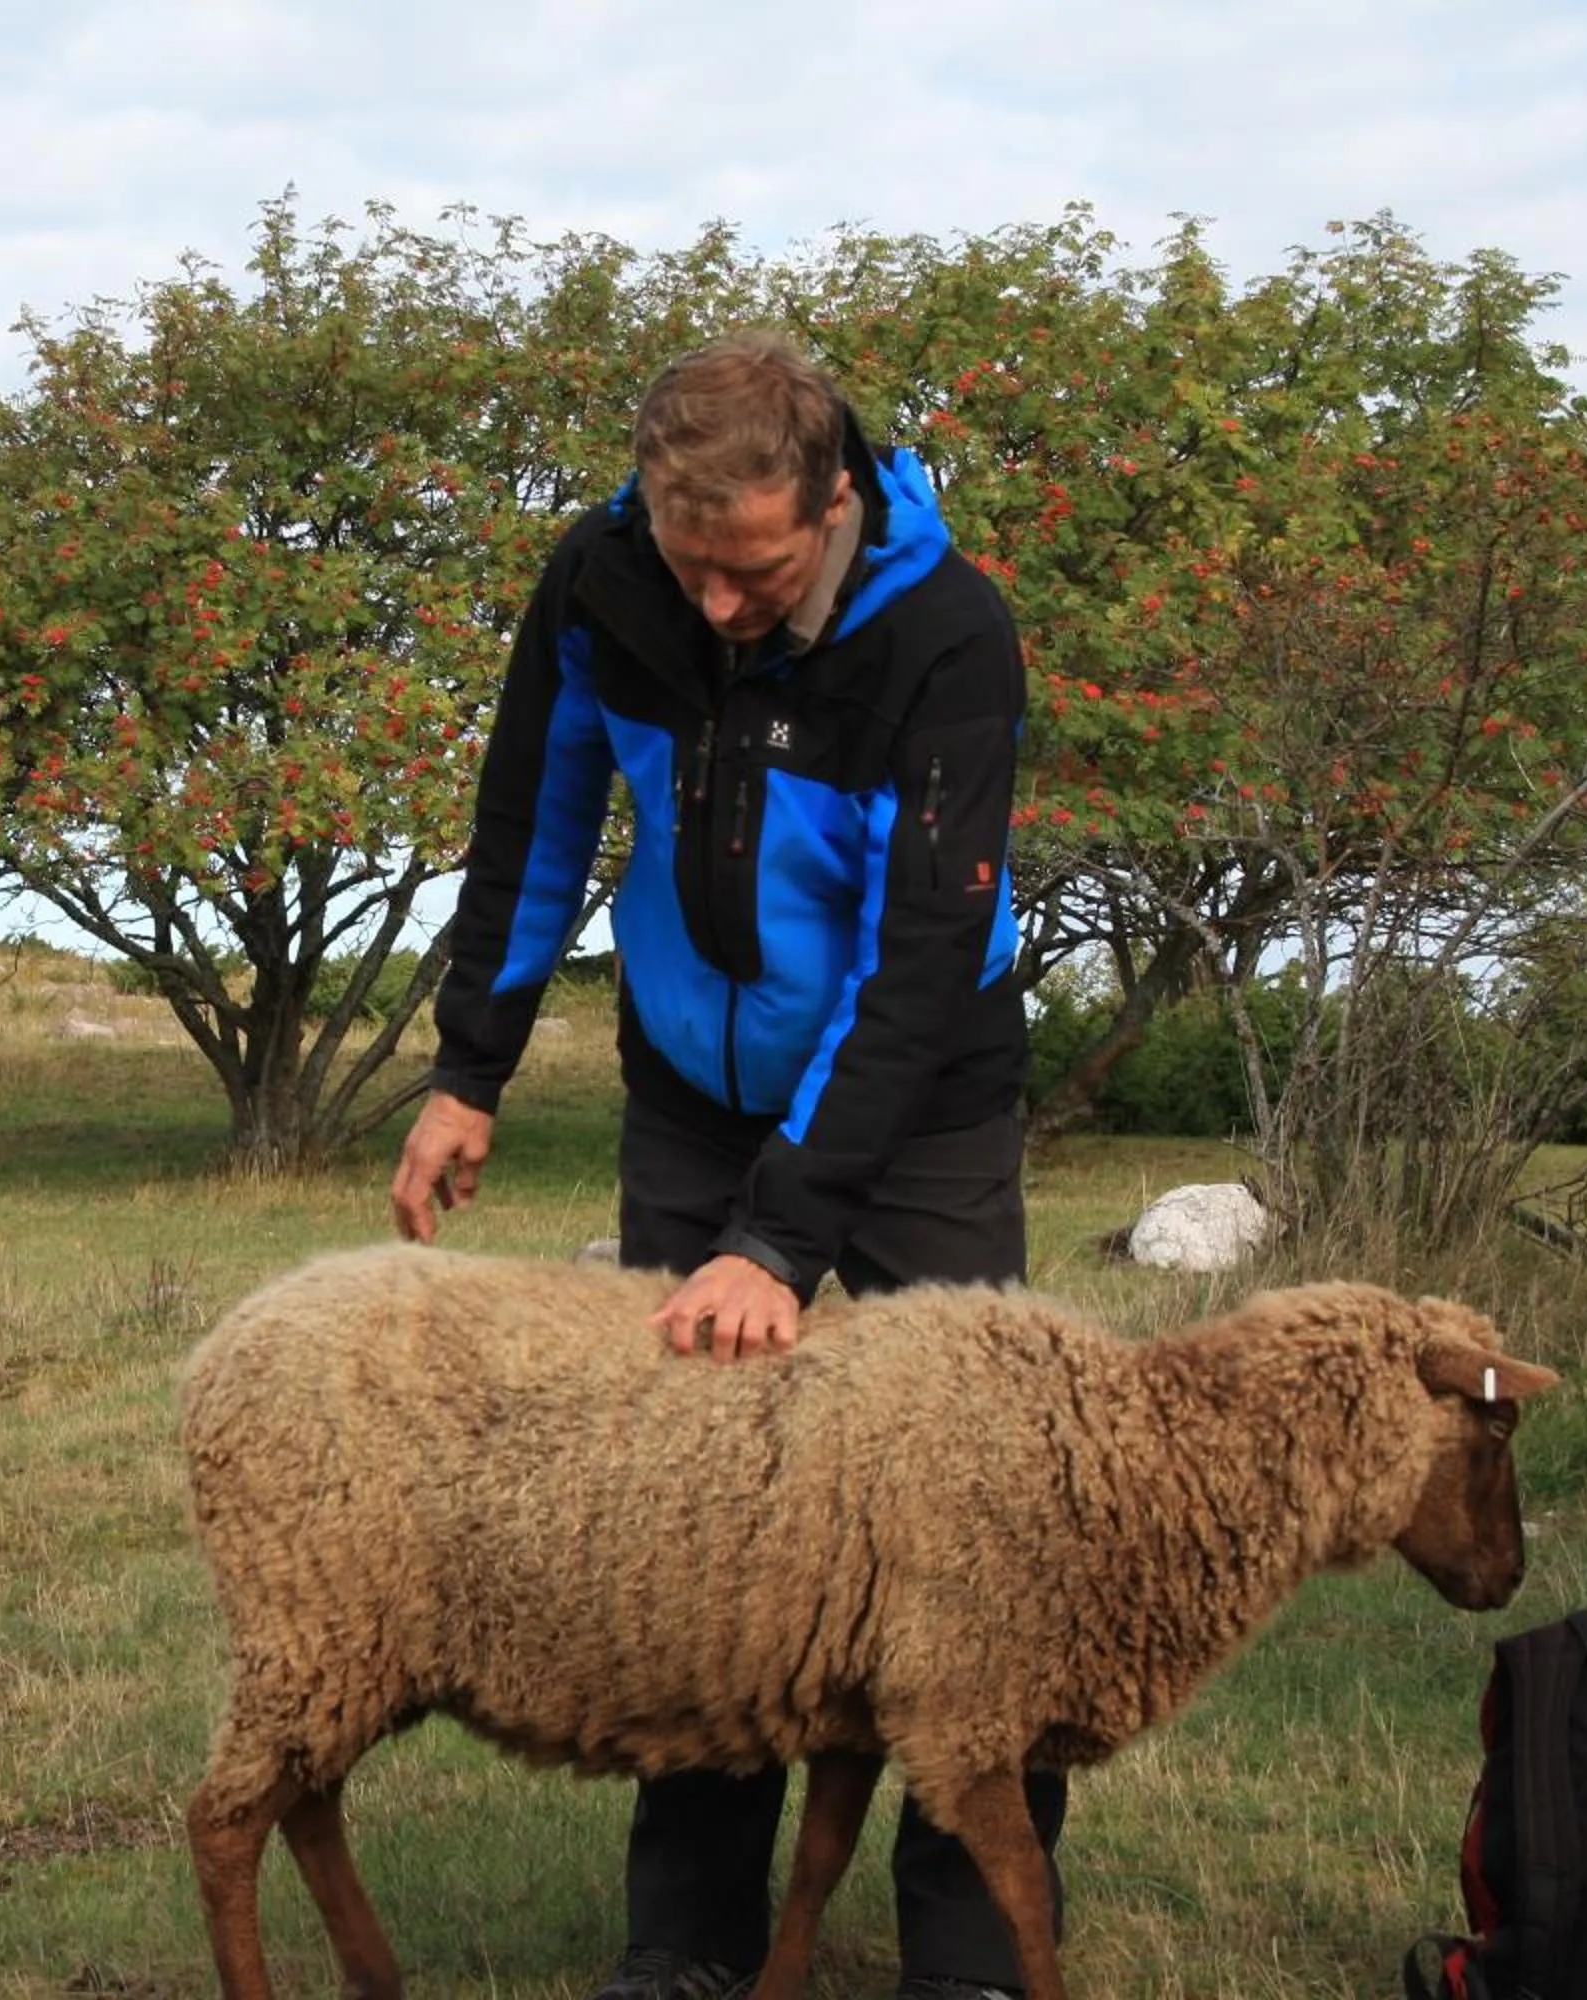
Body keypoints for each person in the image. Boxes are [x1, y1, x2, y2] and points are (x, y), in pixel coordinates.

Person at [390, 331, 1064, 2000]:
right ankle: (682, 1947)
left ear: (832, 501)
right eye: (689, 565)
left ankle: (971, 1952)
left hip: (922, 1107)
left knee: (981, 1521)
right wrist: (470, 1067)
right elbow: (532, 814)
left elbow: (915, 971)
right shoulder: (606, 576)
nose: (712, 609)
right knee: (693, 1517)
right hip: (692, 1088)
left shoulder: (948, 635)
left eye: (751, 575)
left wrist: (778, 1240)